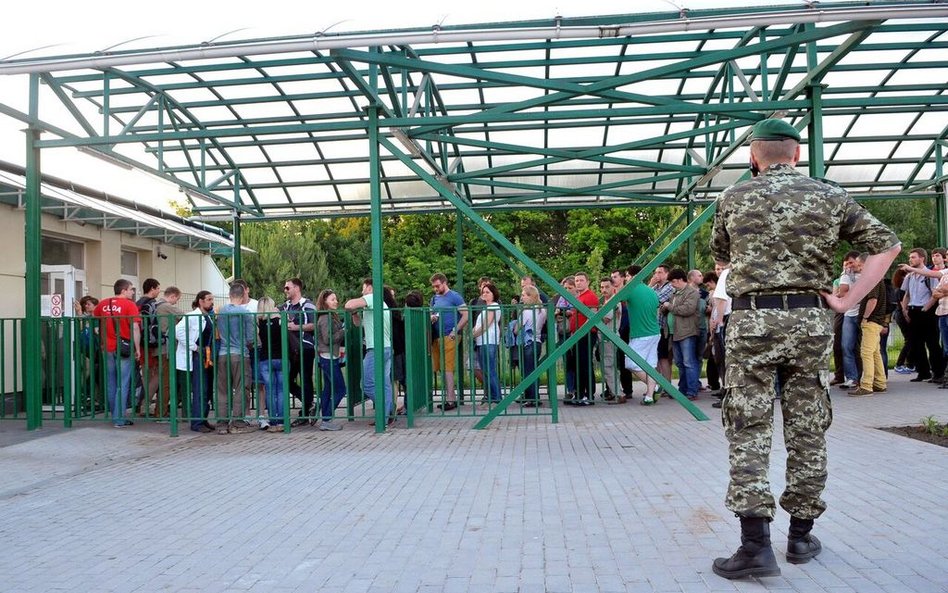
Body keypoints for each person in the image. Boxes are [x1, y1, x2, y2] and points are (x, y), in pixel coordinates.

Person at [709, 118, 900, 579]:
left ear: (754, 157)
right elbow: (887, 245)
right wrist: (848, 299)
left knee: (749, 426)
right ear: (796, 155)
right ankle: (800, 536)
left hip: (752, 320)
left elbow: (722, 259)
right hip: (810, 320)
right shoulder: (830, 195)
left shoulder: (732, 197)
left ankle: (754, 546)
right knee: (807, 424)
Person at [93, 280, 142, 427]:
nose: (133, 292)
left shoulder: (103, 304)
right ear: (124, 291)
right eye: (131, 289)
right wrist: (138, 348)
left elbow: (96, 320)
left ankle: (114, 414)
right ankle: (119, 418)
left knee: (111, 383)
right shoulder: (130, 305)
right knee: (124, 383)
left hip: (107, 347)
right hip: (124, 348)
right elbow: (134, 328)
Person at [345, 278, 394, 424]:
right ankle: (385, 417)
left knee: (366, 384)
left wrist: (354, 306)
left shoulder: (373, 298)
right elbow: (359, 324)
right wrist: (354, 314)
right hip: (386, 348)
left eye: (363, 288)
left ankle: (385, 409)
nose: (362, 291)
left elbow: (349, 304)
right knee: (385, 384)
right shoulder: (381, 303)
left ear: (370, 288)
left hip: (376, 349)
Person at [215, 283, 257, 434]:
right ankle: (238, 422)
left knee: (222, 390)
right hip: (240, 354)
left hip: (222, 354)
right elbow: (251, 338)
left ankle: (221, 424)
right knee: (241, 388)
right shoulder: (245, 313)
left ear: (230, 294)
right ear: (243, 295)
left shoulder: (221, 311)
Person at [174, 291, 217, 433]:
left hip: (207, 356)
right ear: (201, 301)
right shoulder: (192, 316)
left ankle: (203, 419)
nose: (211, 302)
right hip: (198, 356)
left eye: (212, 299)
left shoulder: (208, 317)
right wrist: (195, 347)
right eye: (209, 299)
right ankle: (197, 422)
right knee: (200, 389)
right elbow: (178, 331)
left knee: (207, 389)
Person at [848, 253, 888, 396]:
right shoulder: (878, 277)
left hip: (871, 321)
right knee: (875, 352)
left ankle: (866, 386)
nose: (858, 268)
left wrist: (865, 317)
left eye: (860, 265)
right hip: (877, 321)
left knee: (866, 353)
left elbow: (872, 300)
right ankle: (880, 382)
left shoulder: (872, 278)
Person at [280, 278, 317, 427]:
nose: (285, 290)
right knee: (287, 381)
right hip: (290, 350)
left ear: (296, 288)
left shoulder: (308, 305)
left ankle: (306, 411)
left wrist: (294, 327)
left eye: (287, 288)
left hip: (305, 347)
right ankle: (309, 404)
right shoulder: (284, 306)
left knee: (306, 378)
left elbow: (313, 325)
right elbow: (274, 314)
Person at [428, 273, 468, 411]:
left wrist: (455, 331)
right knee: (441, 368)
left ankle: (451, 400)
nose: (435, 288)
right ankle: (450, 397)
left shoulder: (454, 296)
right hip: (437, 336)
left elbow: (466, 314)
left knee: (447, 367)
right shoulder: (434, 299)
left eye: (437, 286)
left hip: (449, 335)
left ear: (445, 283)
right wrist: (432, 317)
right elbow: (431, 313)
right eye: (433, 286)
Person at [623, 265, 661, 405]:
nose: (626, 279)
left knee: (631, 363)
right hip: (655, 332)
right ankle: (650, 396)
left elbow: (617, 299)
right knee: (650, 365)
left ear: (632, 276)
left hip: (641, 334)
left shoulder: (631, 289)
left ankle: (656, 385)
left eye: (626, 276)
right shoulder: (651, 291)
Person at [663, 269, 700, 399]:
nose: (671, 284)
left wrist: (669, 307)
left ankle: (692, 391)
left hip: (687, 332)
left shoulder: (692, 293)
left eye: (673, 281)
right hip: (675, 333)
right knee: (679, 363)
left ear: (679, 280)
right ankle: (683, 389)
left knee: (689, 362)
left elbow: (687, 310)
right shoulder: (675, 293)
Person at [566, 272, 599, 406]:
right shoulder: (579, 297)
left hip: (586, 334)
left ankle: (588, 395)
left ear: (588, 282)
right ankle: (579, 394)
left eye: (581, 280)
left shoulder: (590, 297)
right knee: (579, 364)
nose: (578, 282)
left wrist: (580, 331)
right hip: (579, 334)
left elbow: (593, 316)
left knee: (585, 365)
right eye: (577, 280)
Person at [315, 289, 347, 431]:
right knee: (340, 389)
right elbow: (328, 338)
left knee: (328, 388)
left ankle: (324, 416)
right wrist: (343, 331)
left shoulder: (328, 316)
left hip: (328, 356)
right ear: (325, 302)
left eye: (336, 299)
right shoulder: (326, 318)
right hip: (327, 356)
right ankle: (326, 418)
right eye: (332, 299)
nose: (336, 301)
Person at [256, 297, 286, 432]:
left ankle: (273, 421)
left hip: (265, 359)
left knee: (270, 391)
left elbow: (257, 341)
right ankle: (281, 421)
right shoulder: (280, 320)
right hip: (281, 357)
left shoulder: (258, 323)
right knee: (281, 390)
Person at [470, 281, 503, 405]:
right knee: (486, 370)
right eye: (483, 292)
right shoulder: (486, 307)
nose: (485, 294)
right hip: (481, 341)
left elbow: (486, 325)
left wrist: (474, 334)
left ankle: (497, 397)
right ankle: (492, 396)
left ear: (493, 294)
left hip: (488, 340)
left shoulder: (493, 306)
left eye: (487, 292)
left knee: (490, 370)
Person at [154, 286, 184, 420]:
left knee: (162, 380)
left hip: (157, 348)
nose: (176, 302)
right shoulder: (166, 307)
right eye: (177, 299)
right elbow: (184, 315)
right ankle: (161, 412)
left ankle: (161, 410)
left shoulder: (154, 305)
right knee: (167, 381)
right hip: (167, 349)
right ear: (172, 296)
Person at [134, 278, 161, 416]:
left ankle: (141, 403)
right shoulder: (152, 304)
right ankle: (145, 404)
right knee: (156, 373)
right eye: (158, 288)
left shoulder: (136, 303)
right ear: (152, 289)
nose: (159, 291)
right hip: (149, 344)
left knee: (145, 374)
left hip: (138, 343)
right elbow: (153, 324)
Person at [516, 285, 547, 407]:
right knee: (533, 370)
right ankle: (534, 396)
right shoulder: (542, 310)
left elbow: (516, 329)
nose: (522, 297)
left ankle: (532, 398)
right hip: (537, 341)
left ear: (530, 296)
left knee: (527, 371)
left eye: (523, 295)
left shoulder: (527, 312)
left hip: (527, 342)